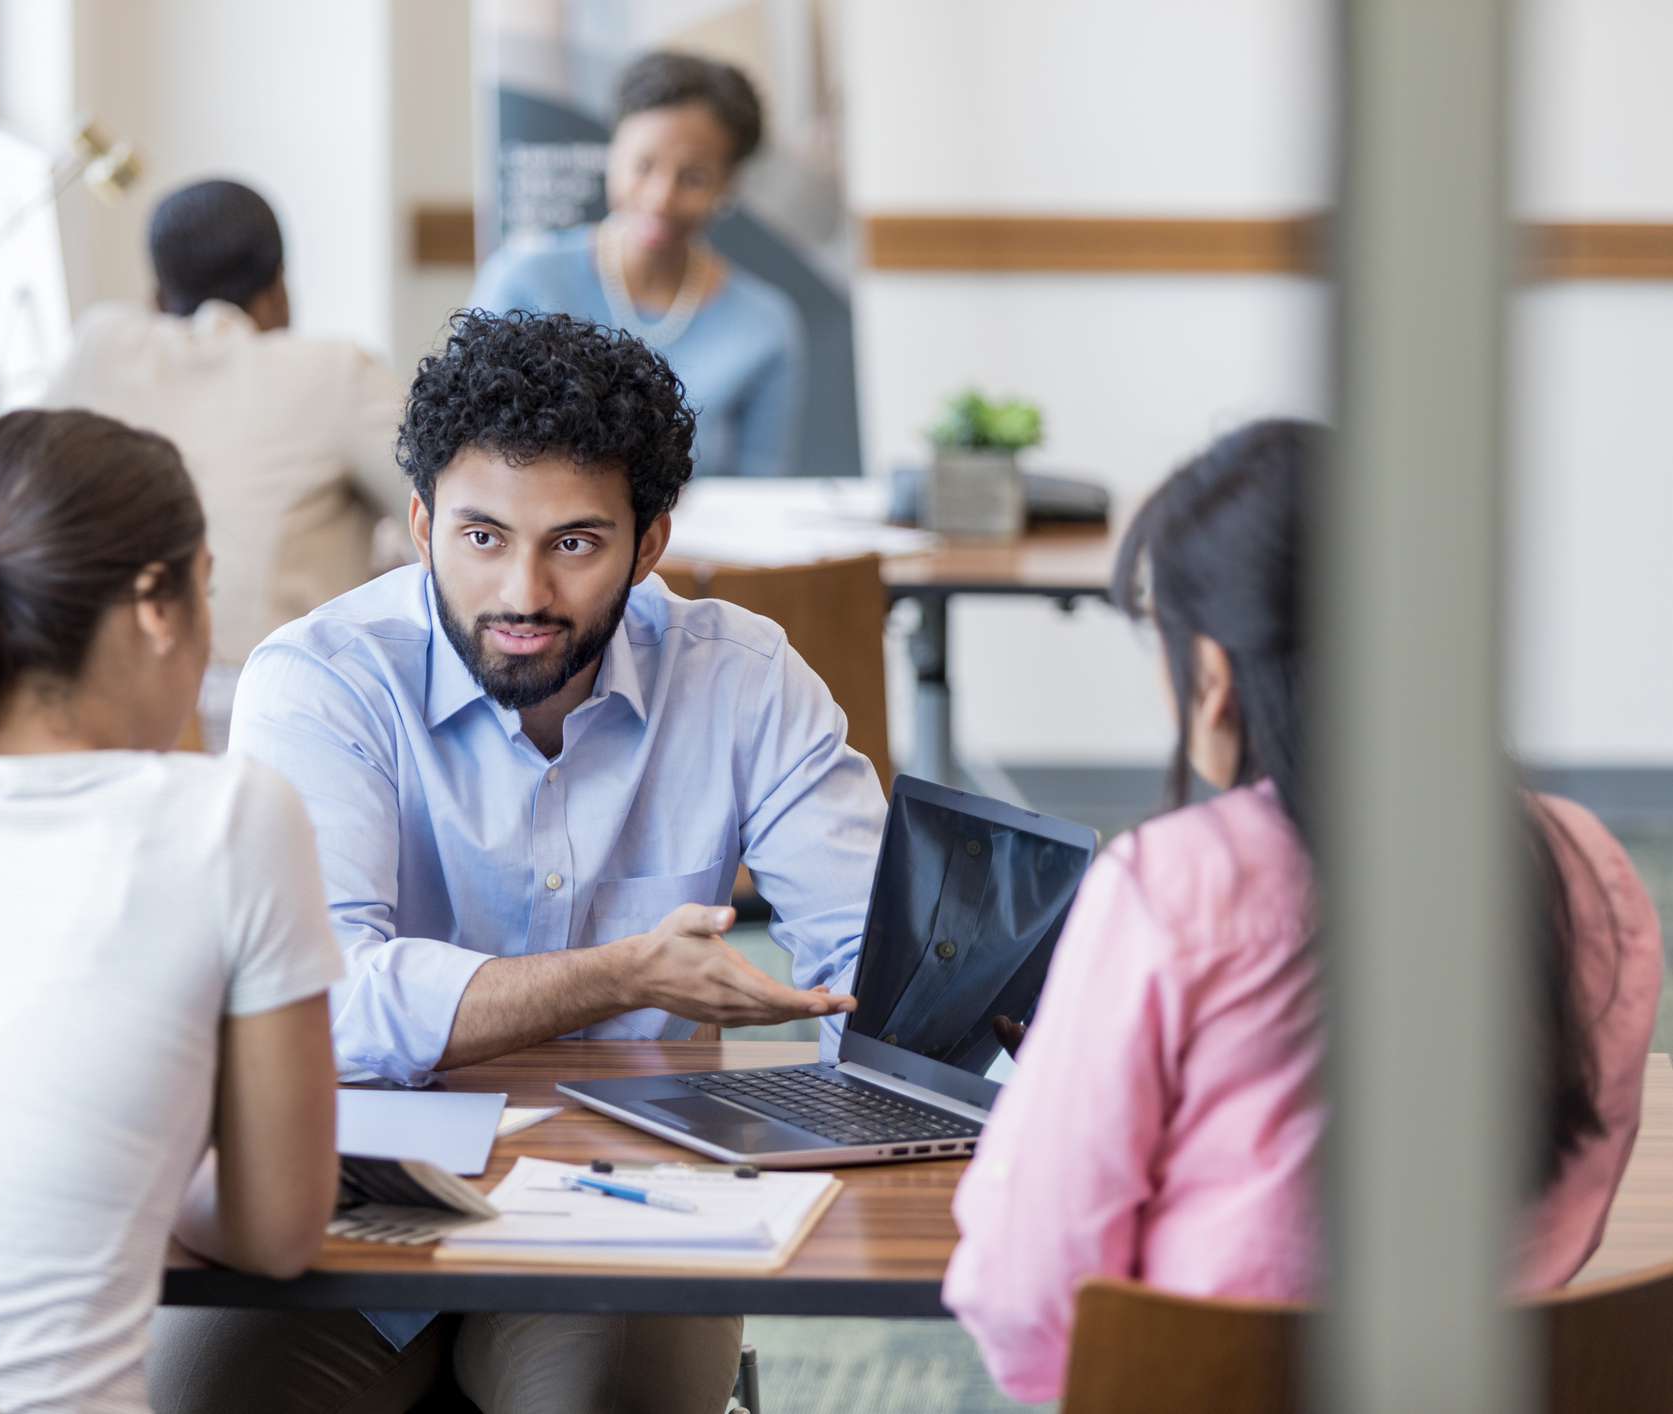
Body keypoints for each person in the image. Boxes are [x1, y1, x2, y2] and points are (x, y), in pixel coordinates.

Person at [152, 310, 885, 1413]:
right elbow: (324, 1001)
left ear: (649, 545)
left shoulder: (741, 680)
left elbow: (866, 960)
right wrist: (620, 976)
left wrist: (896, 1054)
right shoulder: (321, 682)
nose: (524, 595)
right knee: (203, 1399)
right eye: (482, 536)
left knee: (597, 1401)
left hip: (628, 1202)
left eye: (576, 544)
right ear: (419, 524)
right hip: (345, 1192)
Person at [942, 420, 1663, 1404]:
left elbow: (1026, 1285)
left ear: (1215, 675)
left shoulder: (1172, 887)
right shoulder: (1586, 867)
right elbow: (1562, 1207)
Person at [0, 409, 344, 1414]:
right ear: (156, 606)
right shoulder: (228, 819)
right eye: (207, 590)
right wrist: (154, 1145)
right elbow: (277, 1233)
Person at [44, 178, 408, 748]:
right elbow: (452, 518)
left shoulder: (98, 347)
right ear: (278, 291)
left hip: (96, 722)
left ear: (157, 297)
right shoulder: (336, 371)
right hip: (282, 723)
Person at [472, 50, 805, 478]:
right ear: (612, 153)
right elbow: (474, 451)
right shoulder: (524, 280)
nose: (660, 196)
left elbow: (762, 492)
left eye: (693, 178)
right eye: (643, 166)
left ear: (728, 185)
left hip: (698, 546)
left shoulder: (765, 325)